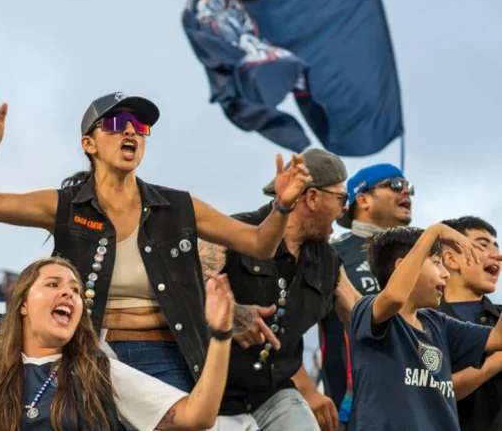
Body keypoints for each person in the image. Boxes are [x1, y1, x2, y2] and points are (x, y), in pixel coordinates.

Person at [0, 94, 310, 391]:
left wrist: (282, 206)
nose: (130, 130)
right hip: (87, 356)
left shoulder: (178, 207)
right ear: (89, 144)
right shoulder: (65, 206)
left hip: (169, 360)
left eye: (140, 127)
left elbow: (259, 244)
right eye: (115, 123)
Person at [0, 256, 237, 431]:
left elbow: (198, 416)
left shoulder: (100, 373)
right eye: (53, 284)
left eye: (75, 290)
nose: (69, 293)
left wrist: (221, 336)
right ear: (22, 304)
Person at [198, 148, 361, 431]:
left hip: (274, 394)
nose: (345, 207)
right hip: (213, 393)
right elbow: (178, 289)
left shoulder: (327, 260)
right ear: (312, 198)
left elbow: (363, 315)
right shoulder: (236, 231)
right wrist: (230, 313)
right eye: (341, 198)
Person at [347, 225, 502, 431]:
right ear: (402, 267)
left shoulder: (438, 323)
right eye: (437, 263)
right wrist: (434, 232)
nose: (446, 274)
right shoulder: (366, 309)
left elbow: (497, 338)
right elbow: (394, 297)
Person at [320, 164, 414, 428]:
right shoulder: (332, 251)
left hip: (416, 398)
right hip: (351, 404)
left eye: (409, 187)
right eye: (395, 184)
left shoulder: (422, 256)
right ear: (362, 199)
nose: (406, 190)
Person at [437, 217, 502, 430]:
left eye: (496, 247)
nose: (496, 255)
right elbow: (428, 391)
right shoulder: (423, 320)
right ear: (451, 259)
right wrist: (493, 364)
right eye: (482, 245)